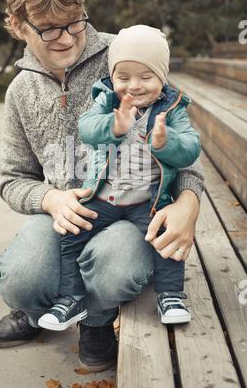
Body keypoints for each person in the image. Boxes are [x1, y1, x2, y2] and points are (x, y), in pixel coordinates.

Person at [0, 0, 204, 372]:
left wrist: (188, 204)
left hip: (131, 210)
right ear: (16, 24)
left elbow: (181, 139)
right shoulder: (21, 91)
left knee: (113, 269)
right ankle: (39, 310)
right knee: (21, 279)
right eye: (48, 28)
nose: (67, 38)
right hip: (67, 216)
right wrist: (49, 198)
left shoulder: (126, 58)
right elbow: (13, 180)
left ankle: (98, 321)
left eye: (74, 22)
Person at [38, 25, 201, 331]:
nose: (133, 86)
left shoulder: (173, 108)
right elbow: (87, 129)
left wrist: (166, 144)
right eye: (123, 77)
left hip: (147, 199)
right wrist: (114, 125)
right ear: (113, 77)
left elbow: (191, 149)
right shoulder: (107, 100)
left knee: (164, 238)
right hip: (105, 196)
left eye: (146, 77)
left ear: (162, 77)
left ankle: (171, 295)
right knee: (71, 235)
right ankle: (70, 299)